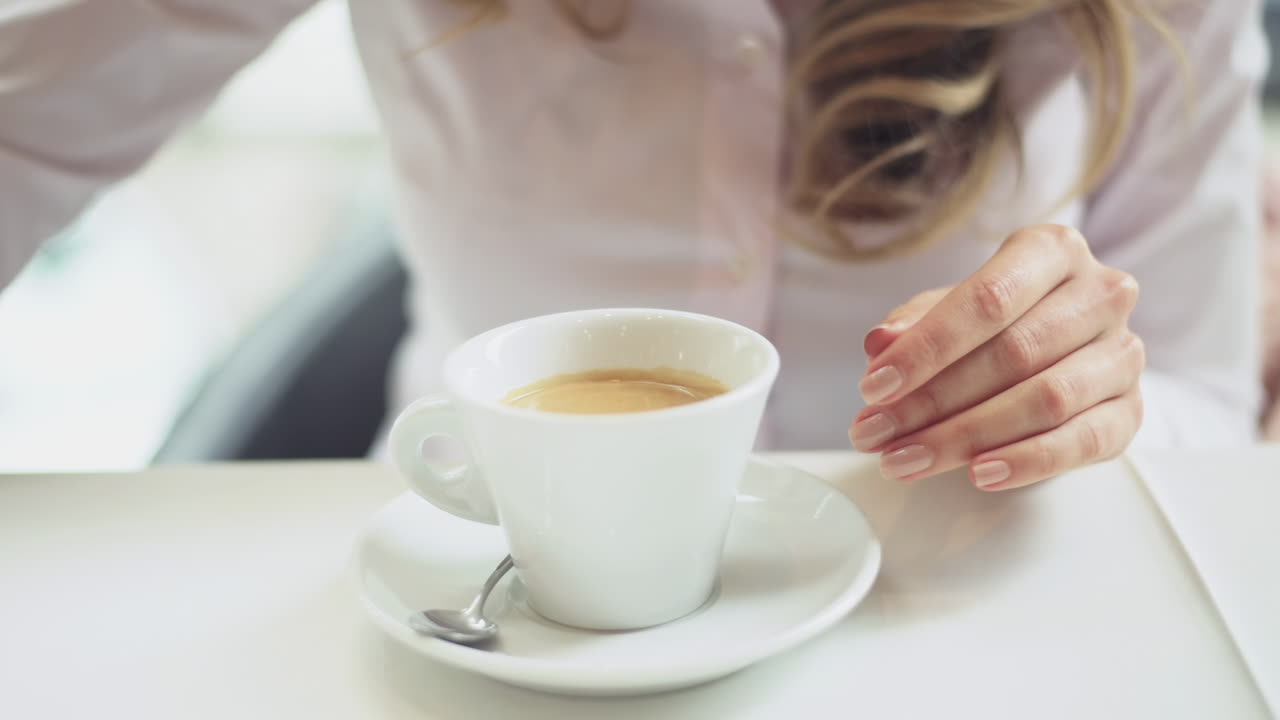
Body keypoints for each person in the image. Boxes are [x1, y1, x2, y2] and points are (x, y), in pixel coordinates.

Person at [0, 0, 1266, 490]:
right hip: (473, 591)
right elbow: (25, 128)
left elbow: (1207, 397)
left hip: (948, 608)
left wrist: (1079, 410)